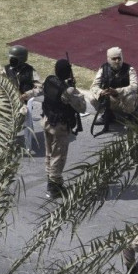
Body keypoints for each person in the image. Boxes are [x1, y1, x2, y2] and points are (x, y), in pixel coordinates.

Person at [42, 59, 86, 199]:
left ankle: (50, 178)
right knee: (58, 156)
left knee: (49, 153)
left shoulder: (49, 80)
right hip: (60, 126)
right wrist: (73, 88)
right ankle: (54, 186)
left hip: (47, 121)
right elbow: (81, 106)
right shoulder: (68, 90)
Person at [89, 46, 138, 126]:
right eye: (114, 59)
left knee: (131, 96)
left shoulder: (129, 69)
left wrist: (117, 91)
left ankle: (130, 116)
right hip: (111, 99)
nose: (117, 61)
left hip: (125, 100)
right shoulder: (103, 69)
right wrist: (101, 92)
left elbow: (134, 87)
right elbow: (94, 86)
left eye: (119, 58)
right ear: (108, 59)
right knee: (92, 98)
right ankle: (108, 115)